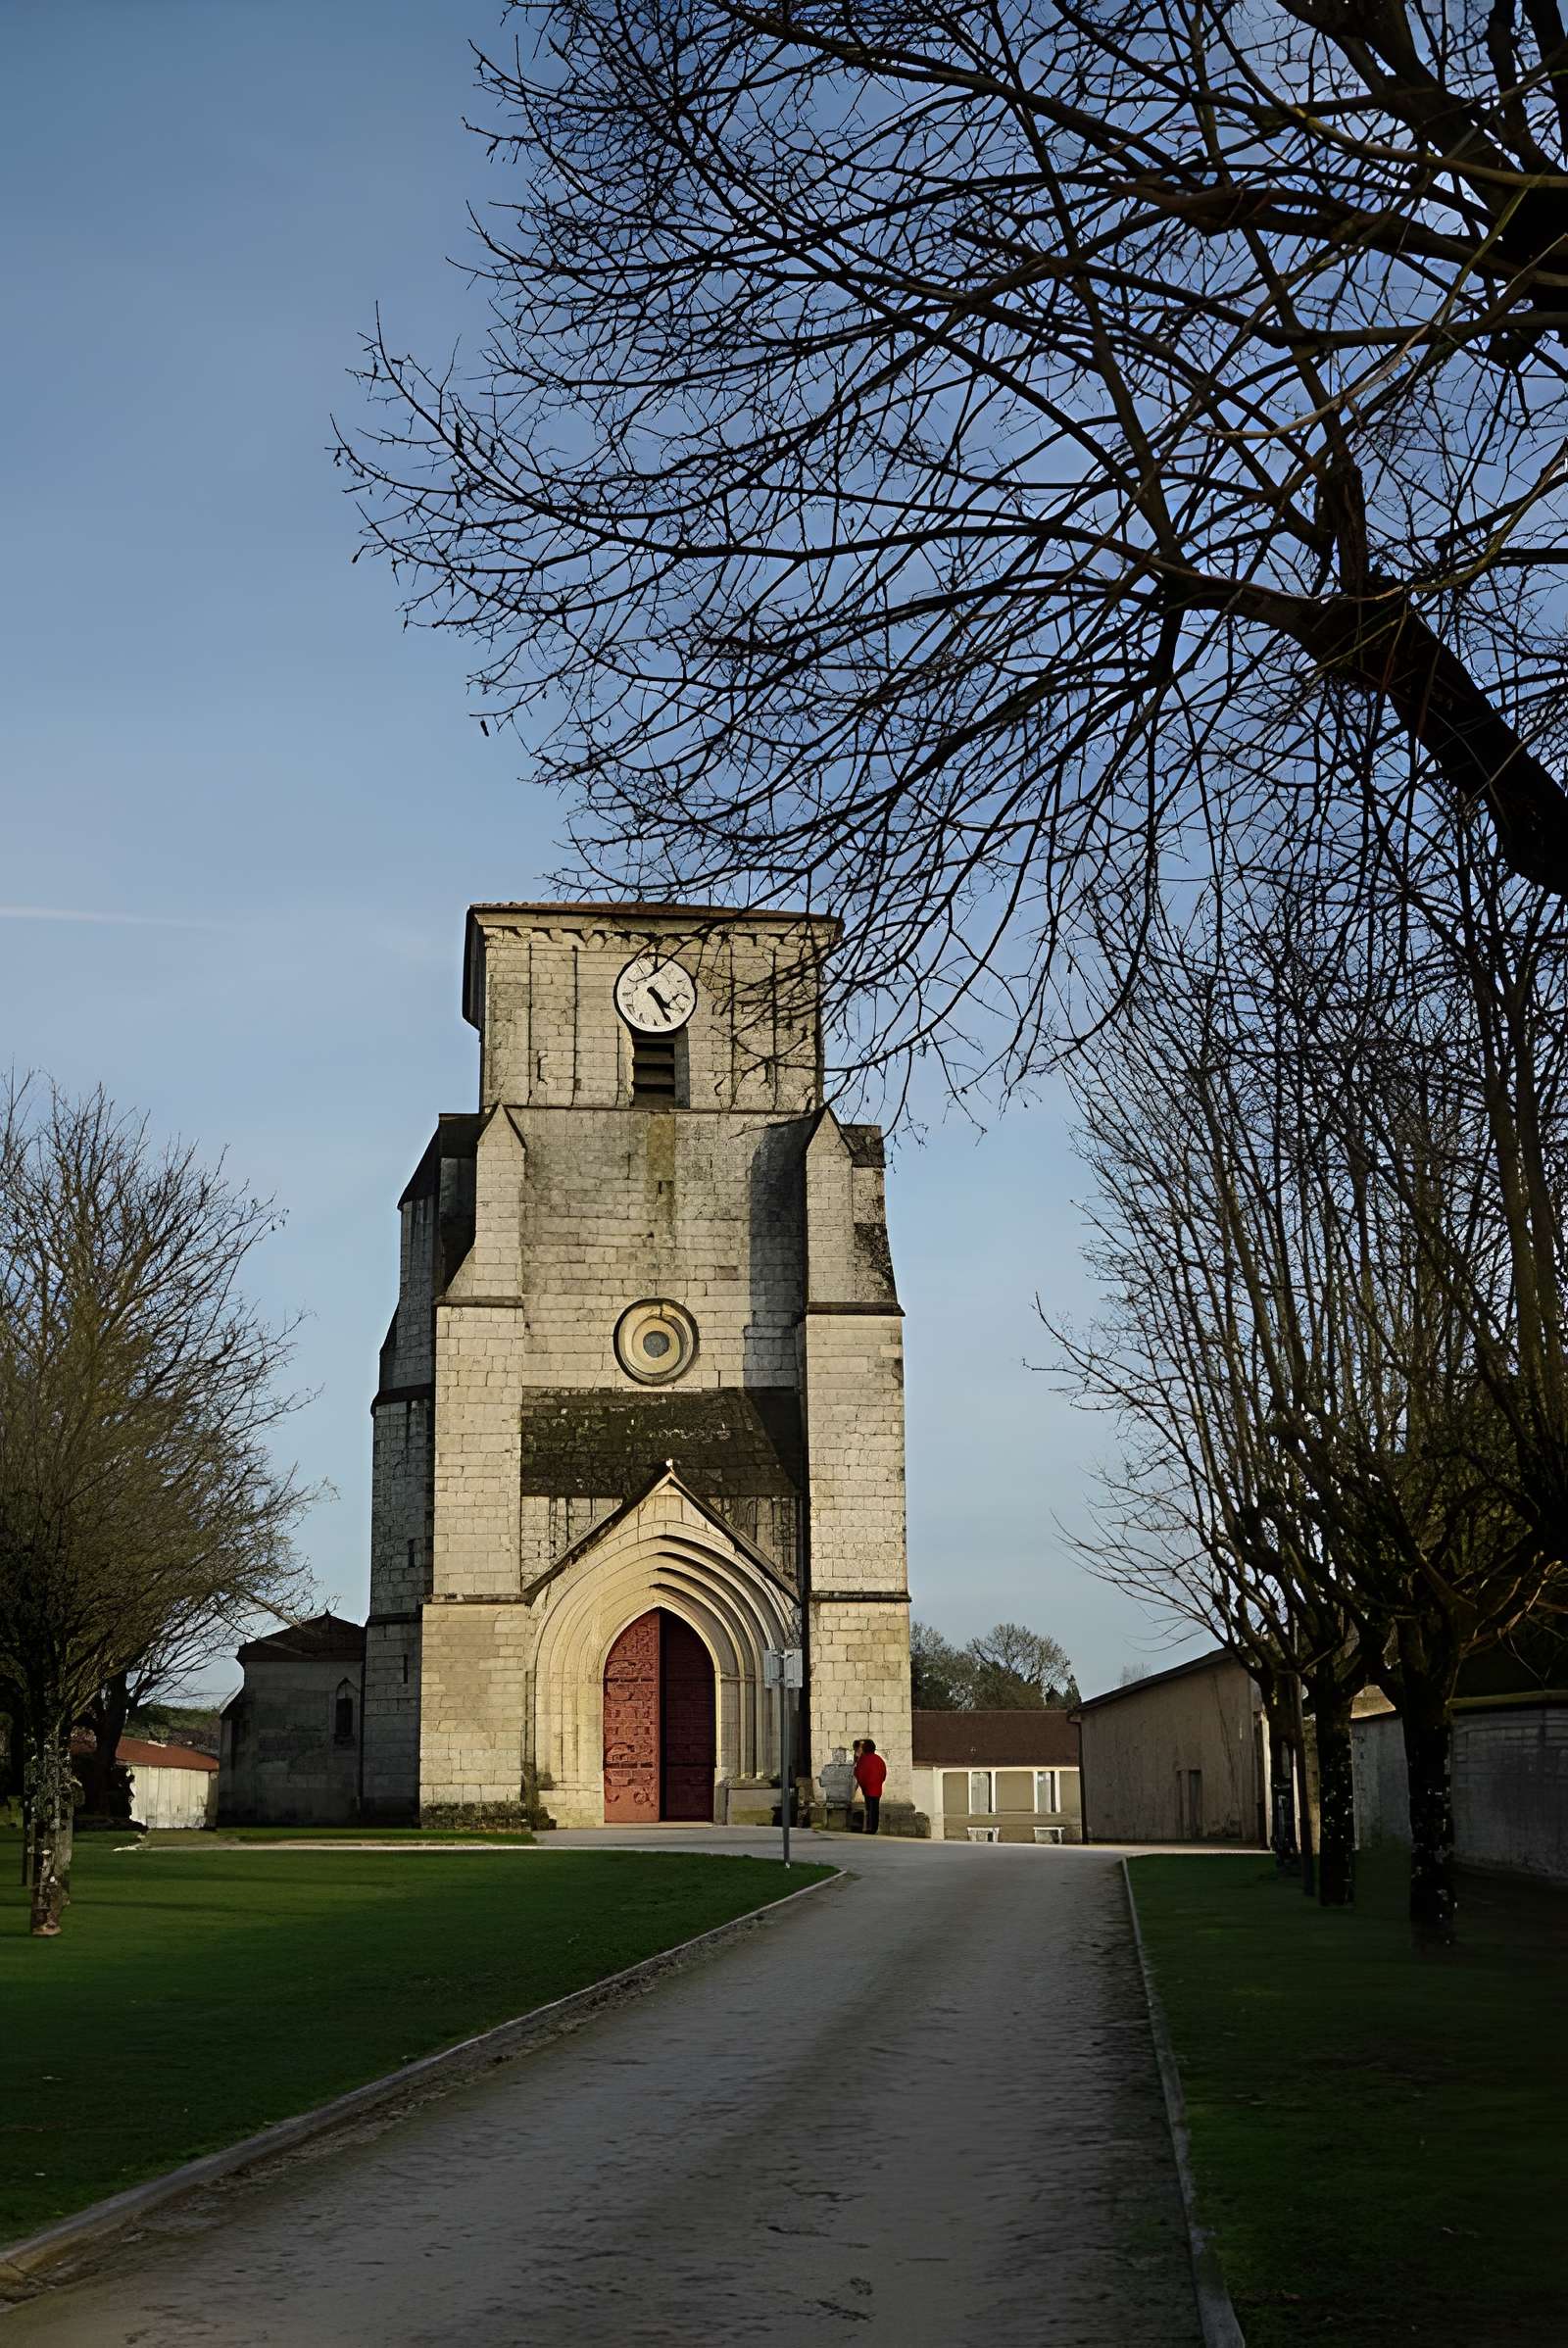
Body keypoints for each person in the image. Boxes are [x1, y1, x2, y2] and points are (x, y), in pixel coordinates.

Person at [854, 1737, 887, 1835]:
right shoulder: (879, 1759)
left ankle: (869, 1827)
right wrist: (879, 1783)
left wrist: (863, 1786)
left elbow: (860, 1774)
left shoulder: (863, 1759)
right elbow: (883, 1773)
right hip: (877, 1788)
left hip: (867, 1788)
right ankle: (874, 1827)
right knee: (875, 1809)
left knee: (869, 1808)